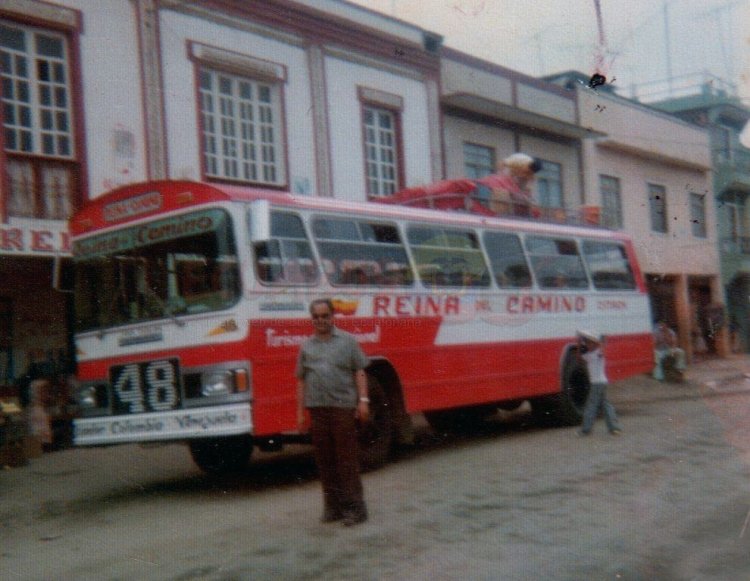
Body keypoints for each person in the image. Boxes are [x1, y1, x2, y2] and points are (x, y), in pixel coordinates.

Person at [296, 298, 370, 526]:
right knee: (325, 461)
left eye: (324, 316)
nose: (321, 320)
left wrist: (363, 401)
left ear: (332, 316)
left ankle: (356, 509)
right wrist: (300, 412)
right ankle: (333, 508)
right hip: (318, 410)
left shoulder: (347, 341)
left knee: (346, 460)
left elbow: (359, 371)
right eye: (316, 317)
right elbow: (301, 380)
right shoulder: (306, 346)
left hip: (342, 409)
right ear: (312, 319)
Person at [576, 330, 622, 436]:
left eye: (589, 343)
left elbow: (601, 351)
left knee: (591, 405)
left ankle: (586, 429)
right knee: (605, 405)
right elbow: (578, 358)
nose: (587, 345)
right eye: (586, 343)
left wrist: (602, 341)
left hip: (598, 383)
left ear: (595, 344)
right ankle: (614, 428)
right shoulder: (589, 355)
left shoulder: (598, 353)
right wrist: (579, 344)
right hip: (600, 382)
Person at [476, 152, 542, 217]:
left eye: (530, 173)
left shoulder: (529, 172)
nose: (529, 173)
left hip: (514, 174)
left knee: (521, 191)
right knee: (508, 186)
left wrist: (526, 194)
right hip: (509, 171)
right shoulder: (519, 161)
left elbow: (529, 183)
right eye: (528, 171)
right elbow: (503, 164)